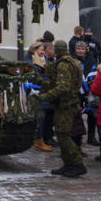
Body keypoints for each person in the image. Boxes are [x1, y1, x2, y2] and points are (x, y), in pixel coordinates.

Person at [39, 40, 86, 177]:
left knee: (63, 135)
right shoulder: (73, 62)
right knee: (61, 133)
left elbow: (62, 87)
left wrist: (45, 96)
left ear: (57, 50)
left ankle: (77, 163)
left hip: (65, 104)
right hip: (69, 102)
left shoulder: (63, 65)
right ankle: (68, 164)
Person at [75, 41, 99, 147]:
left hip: (90, 90)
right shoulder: (73, 60)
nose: (80, 51)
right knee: (77, 114)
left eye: (82, 49)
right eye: (78, 49)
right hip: (77, 91)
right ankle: (78, 137)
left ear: (86, 50)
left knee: (92, 114)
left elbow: (94, 73)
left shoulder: (91, 59)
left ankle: (91, 136)